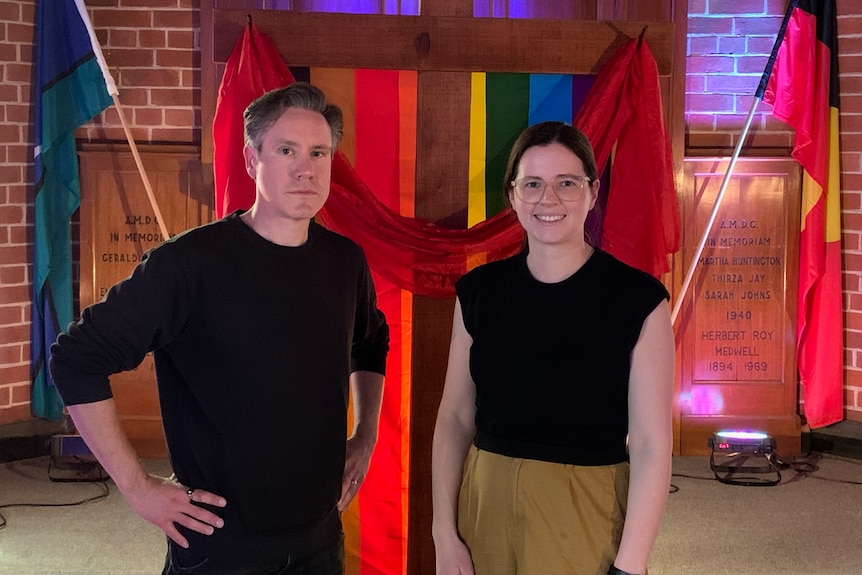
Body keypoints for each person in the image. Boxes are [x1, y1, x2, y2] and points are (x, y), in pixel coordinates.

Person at [50, 82, 390, 575]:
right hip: (220, 544)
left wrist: (366, 435)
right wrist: (137, 488)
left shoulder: (344, 261)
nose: (305, 167)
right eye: (286, 150)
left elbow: (371, 342)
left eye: (319, 152)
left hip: (319, 535)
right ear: (253, 160)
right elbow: (76, 359)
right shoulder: (188, 265)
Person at [431, 121, 674, 575]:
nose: (549, 199)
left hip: (585, 505)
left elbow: (650, 444)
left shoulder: (638, 300)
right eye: (533, 184)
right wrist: (443, 532)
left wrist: (631, 564)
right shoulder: (478, 292)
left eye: (567, 183)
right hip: (484, 501)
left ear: (592, 191)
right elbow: (455, 418)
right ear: (513, 196)